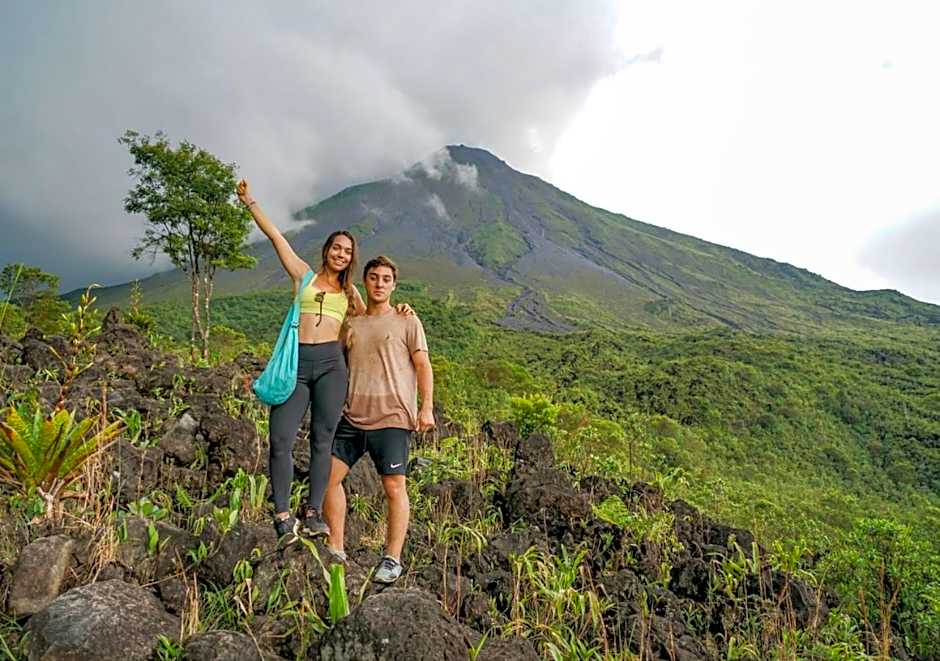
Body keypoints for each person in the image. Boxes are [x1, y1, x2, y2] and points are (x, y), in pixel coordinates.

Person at [235, 180, 413, 540]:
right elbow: (276, 239)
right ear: (327, 250)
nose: (341, 254)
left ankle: (313, 512)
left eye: (348, 251)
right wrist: (249, 201)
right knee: (281, 440)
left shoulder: (351, 294)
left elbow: (374, 319)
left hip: (332, 367)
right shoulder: (304, 276)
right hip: (298, 365)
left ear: (352, 258)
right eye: (337, 248)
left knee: (322, 441)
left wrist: (403, 311)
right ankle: (283, 513)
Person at [323, 255, 435, 584]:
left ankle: (392, 558)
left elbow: (423, 365)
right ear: (366, 281)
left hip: (393, 417)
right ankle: (336, 548)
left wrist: (426, 407)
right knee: (328, 478)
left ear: (394, 285)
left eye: (386, 279)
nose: (380, 284)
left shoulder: (407, 321)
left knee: (394, 486)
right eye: (374, 277)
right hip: (353, 415)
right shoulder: (352, 324)